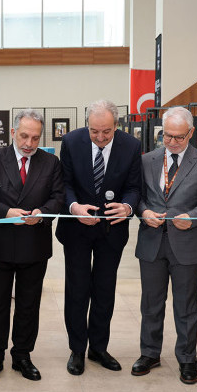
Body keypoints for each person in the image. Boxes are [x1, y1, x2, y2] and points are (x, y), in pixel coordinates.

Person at [0, 108, 65, 382]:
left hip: (35, 244)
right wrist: (5, 212)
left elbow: (59, 197)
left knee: (28, 304)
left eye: (35, 138)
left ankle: (22, 354)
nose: (29, 144)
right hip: (1, 243)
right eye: (24, 136)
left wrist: (42, 212)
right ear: (13, 133)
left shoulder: (51, 162)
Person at [56, 99, 141, 376]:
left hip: (111, 232)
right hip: (77, 230)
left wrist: (127, 207)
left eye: (106, 131)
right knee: (77, 290)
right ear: (87, 125)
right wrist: (73, 207)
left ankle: (99, 348)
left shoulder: (131, 145)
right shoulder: (70, 142)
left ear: (116, 125)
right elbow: (65, 184)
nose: (101, 137)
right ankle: (77, 349)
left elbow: (133, 186)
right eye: (95, 131)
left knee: (104, 290)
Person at [132, 107, 197, 384]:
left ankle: (186, 359)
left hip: (187, 244)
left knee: (186, 306)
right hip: (152, 243)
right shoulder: (147, 160)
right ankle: (150, 353)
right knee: (151, 304)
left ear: (191, 133)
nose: (172, 142)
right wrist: (144, 212)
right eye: (167, 136)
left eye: (179, 137)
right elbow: (138, 197)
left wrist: (191, 218)